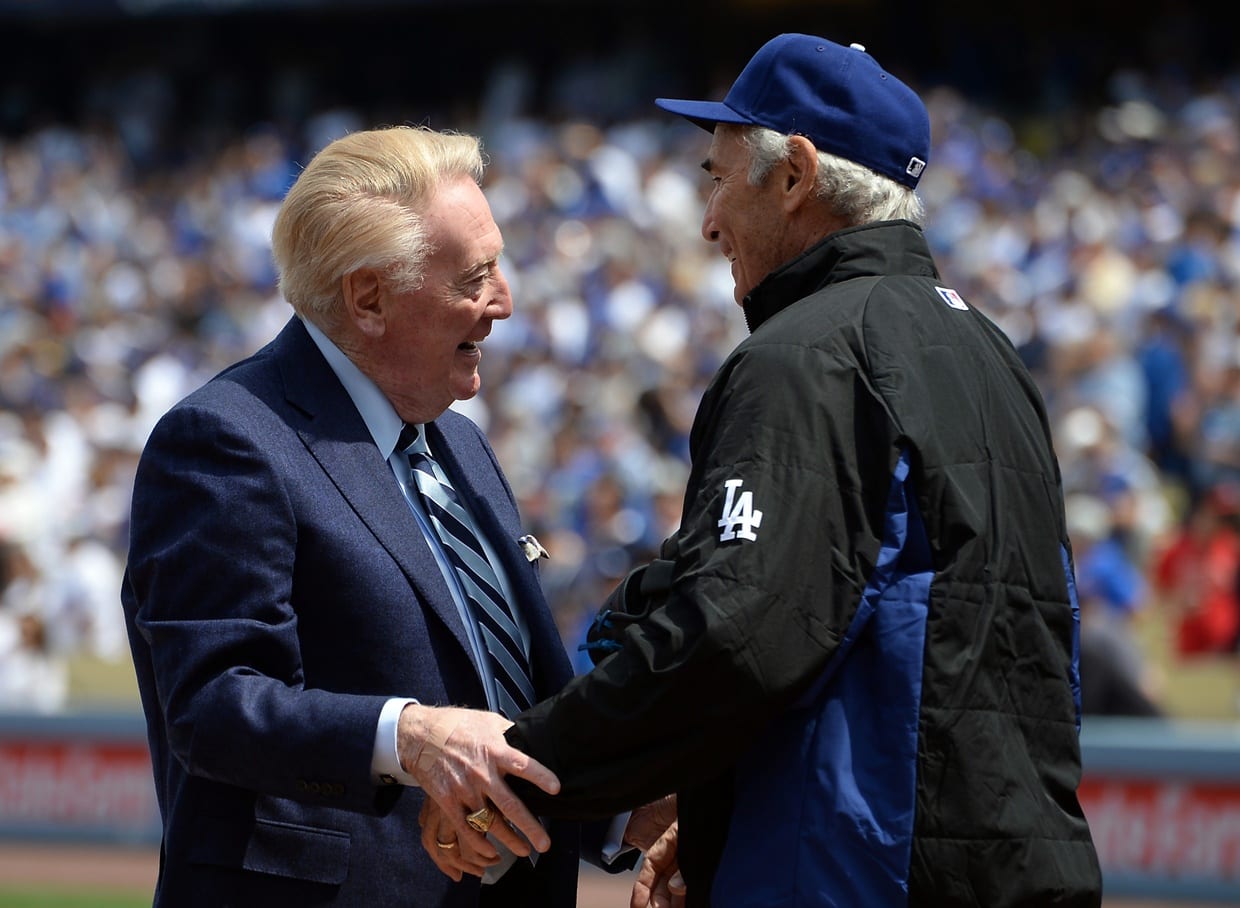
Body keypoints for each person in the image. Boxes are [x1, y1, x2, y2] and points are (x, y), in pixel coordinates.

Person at [421, 34, 1104, 907]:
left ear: (795, 176)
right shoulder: (990, 352)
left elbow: (734, 633)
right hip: (1016, 862)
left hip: (863, 874)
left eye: (718, 175)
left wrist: (519, 777)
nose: (708, 219)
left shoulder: (807, 355)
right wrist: (715, 818)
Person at [121, 125, 650, 907]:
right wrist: (406, 737)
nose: (504, 302)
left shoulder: (458, 446)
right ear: (367, 298)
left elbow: (513, 699)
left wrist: (623, 818)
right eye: (475, 277)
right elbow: (212, 704)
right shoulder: (229, 440)